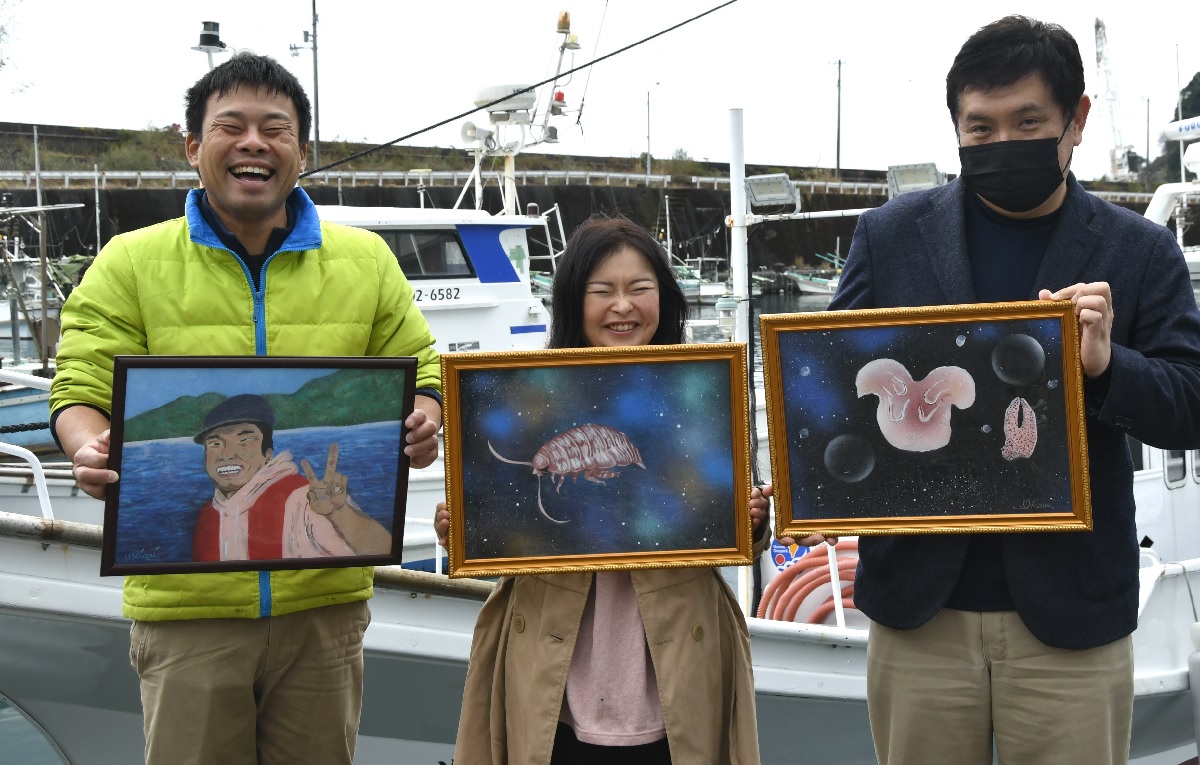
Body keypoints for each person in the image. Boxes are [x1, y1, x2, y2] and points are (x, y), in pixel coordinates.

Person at [793, 15, 1200, 765]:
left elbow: (1192, 403)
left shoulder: (1138, 250)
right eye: (979, 128)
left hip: (1072, 621)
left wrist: (1110, 366)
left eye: (1027, 122)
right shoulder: (888, 235)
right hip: (919, 613)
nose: (1001, 143)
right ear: (954, 127)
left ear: (1076, 120)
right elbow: (827, 383)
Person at [49, 54, 442, 764]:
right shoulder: (129, 262)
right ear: (193, 146)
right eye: (231, 126)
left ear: (301, 151)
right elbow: (79, 385)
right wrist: (87, 443)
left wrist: (422, 412)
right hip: (185, 615)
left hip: (324, 612)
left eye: (276, 128)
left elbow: (422, 363)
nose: (254, 142)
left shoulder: (367, 260)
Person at [435, 216, 797, 765]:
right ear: (571, 302)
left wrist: (750, 519)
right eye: (601, 291)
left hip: (672, 651)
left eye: (639, 289)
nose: (622, 306)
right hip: (558, 662)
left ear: (665, 298)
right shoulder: (528, 392)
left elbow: (721, 518)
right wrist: (464, 524)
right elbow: (502, 538)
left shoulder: (703, 387)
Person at [190, 393, 391, 562]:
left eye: (244, 440)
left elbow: (383, 549)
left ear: (268, 453)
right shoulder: (207, 515)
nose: (227, 454)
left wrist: (341, 513)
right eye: (215, 444)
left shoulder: (305, 499)